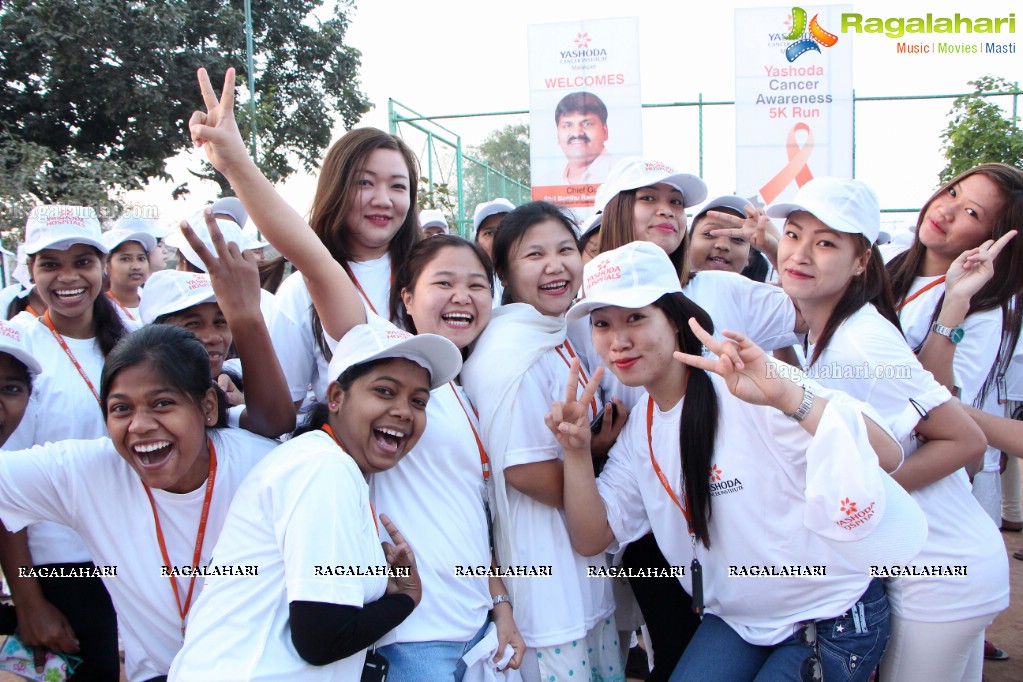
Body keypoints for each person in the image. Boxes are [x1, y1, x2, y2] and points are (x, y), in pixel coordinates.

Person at [186, 66, 526, 679]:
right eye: (366, 182)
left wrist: (499, 602)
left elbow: (470, 504)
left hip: (474, 629)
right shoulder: (368, 336)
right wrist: (235, 161)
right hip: (408, 635)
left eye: (399, 185)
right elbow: (308, 255)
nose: (383, 198)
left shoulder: (450, 379)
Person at [551, 241, 923, 682]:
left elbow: (887, 454)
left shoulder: (749, 388)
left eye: (636, 317)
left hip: (829, 615)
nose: (619, 340)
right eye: (602, 324)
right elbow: (593, 536)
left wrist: (787, 396)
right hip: (736, 623)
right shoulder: (641, 432)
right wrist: (574, 453)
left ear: (676, 320)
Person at [770, 177, 1005, 681]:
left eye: (826, 242)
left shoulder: (862, 340)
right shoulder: (828, 332)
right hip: (932, 564)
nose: (801, 253)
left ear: (860, 262)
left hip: (941, 570)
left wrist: (858, 501)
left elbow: (967, 440)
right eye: (793, 234)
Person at [168, 323, 462, 681]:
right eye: (385, 391)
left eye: (418, 401)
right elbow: (322, 638)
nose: (404, 411)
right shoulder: (324, 467)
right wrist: (405, 599)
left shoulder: (332, 465)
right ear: (335, 397)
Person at [0, 324, 279, 682]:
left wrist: (375, 575)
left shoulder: (268, 471)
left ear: (208, 406)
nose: (140, 425)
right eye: (121, 409)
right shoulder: (87, 473)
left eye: (162, 404)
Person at [461, 201, 626, 682]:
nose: (555, 265)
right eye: (534, 255)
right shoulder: (510, 351)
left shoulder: (549, 333)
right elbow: (525, 471)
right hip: (548, 587)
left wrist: (589, 454)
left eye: (565, 249)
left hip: (578, 575)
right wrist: (600, 486)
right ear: (506, 273)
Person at [879, 163, 1023, 679]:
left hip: (939, 509)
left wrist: (954, 305)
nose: (945, 209)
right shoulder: (890, 269)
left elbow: (940, 405)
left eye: (970, 212)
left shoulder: (987, 306)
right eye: (953, 191)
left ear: (991, 238)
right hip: (897, 506)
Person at [0, 205, 134, 681]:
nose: (68, 277)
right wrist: (30, 602)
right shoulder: (19, 353)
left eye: (82, 261)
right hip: (64, 569)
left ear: (102, 266)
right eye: (50, 264)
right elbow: (7, 491)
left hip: (135, 559)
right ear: (30, 270)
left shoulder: (136, 342)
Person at [139, 215, 295, 439]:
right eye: (193, 324)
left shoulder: (231, 384)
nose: (212, 337)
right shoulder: (134, 390)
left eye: (221, 322)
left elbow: (277, 422)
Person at [553, 92, 615, 185]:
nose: (577, 133)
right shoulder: (550, 179)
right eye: (567, 125)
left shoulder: (621, 175)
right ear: (557, 135)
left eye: (587, 124)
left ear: (605, 131)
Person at [101, 227, 157, 323]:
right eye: (125, 259)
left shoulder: (155, 300)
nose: (136, 266)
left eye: (141, 258)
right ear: (106, 265)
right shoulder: (99, 309)